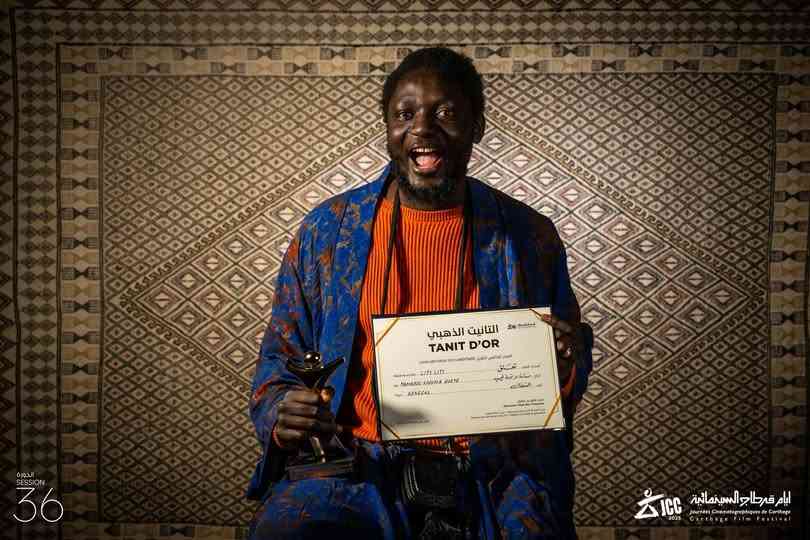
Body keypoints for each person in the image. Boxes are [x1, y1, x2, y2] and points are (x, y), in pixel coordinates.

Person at [246, 47, 593, 539]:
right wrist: (284, 411)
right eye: (404, 114)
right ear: (388, 128)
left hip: (490, 469)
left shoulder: (528, 235)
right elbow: (280, 357)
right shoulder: (328, 230)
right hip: (356, 463)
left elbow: (567, 362)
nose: (422, 128)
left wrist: (563, 357)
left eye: (445, 113)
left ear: (476, 126)